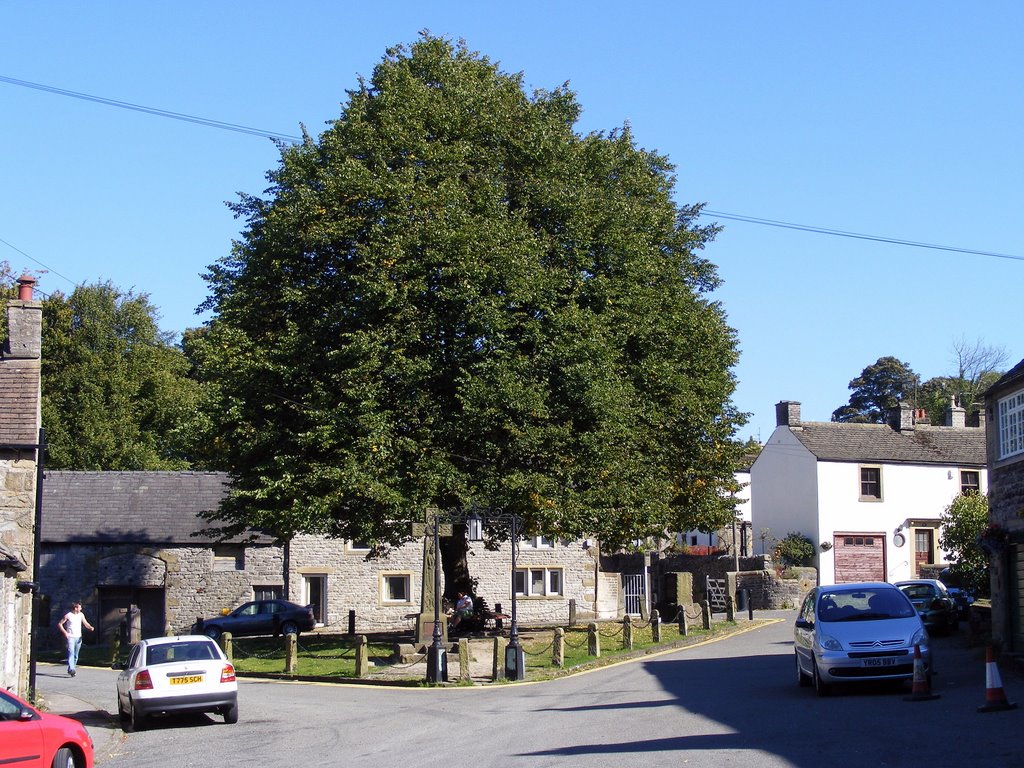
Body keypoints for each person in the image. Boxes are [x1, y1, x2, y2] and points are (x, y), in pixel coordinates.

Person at [59, 601, 94, 677]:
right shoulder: (68, 615)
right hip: (70, 637)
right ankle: (72, 669)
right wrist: (65, 633)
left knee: (76, 655)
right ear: (75, 608)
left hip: (78, 637)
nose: (81, 608)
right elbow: (60, 624)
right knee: (71, 653)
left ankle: (71, 668)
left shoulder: (81, 615)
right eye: (80, 607)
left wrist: (90, 627)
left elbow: (85, 623)